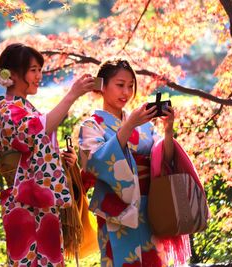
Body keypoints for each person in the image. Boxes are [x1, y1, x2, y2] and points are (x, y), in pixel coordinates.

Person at [0, 43, 96, 266]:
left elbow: (41, 142)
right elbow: (38, 129)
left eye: (40, 69)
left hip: (37, 202)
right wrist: (72, 95)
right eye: (33, 70)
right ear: (13, 74)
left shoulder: (23, 107)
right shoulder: (9, 110)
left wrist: (63, 160)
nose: (39, 75)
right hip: (24, 204)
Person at [78, 59, 191, 266]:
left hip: (151, 209)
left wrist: (168, 130)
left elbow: (164, 160)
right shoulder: (92, 126)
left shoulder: (143, 124)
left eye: (131, 86)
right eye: (120, 85)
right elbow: (95, 162)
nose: (126, 92)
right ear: (102, 86)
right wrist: (129, 126)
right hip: (117, 210)